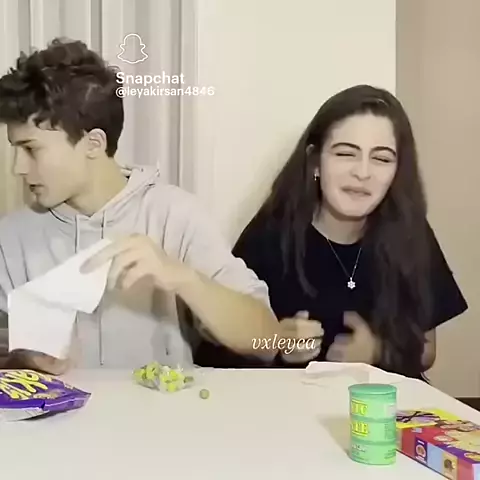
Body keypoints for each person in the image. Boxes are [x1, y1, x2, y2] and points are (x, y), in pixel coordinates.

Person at [0, 38, 280, 374]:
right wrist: (24, 358)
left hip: (163, 408)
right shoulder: (10, 239)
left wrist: (184, 279)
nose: (17, 168)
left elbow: (268, 341)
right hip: (55, 410)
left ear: (93, 143)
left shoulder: (175, 216)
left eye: (31, 149)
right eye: (15, 149)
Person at [197, 85, 468, 378]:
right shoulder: (271, 235)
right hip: (292, 401)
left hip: (384, 401)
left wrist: (377, 353)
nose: (362, 173)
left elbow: (427, 350)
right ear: (315, 161)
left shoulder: (410, 231)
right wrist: (274, 342)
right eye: (346, 154)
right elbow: (214, 349)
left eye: (381, 159)